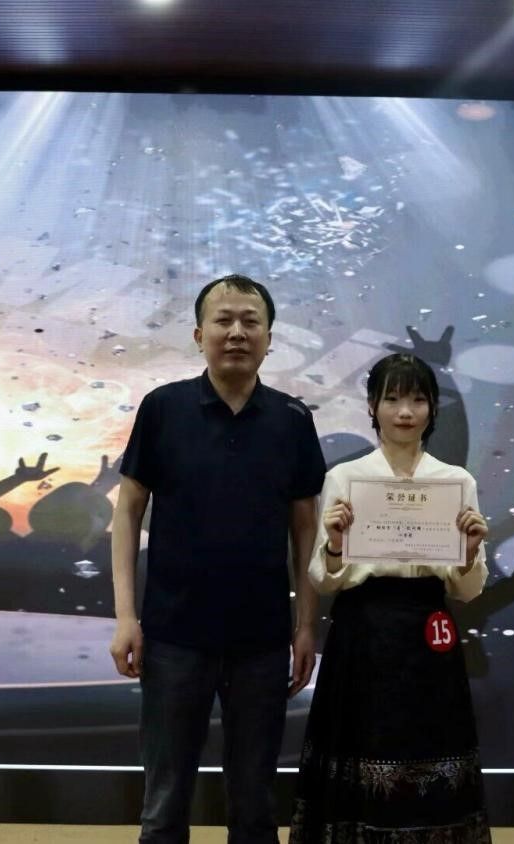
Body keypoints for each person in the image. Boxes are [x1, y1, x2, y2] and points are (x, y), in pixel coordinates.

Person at [289, 352, 514, 842]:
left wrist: (470, 551)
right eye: (392, 399)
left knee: (428, 749)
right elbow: (324, 580)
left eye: (417, 400)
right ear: (371, 407)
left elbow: (468, 589)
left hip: (428, 632)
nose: (405, 411)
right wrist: (334, 545)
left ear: (433, 409)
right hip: (361, 632)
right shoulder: (344, 479)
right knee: (358, 751)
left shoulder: (455, 482)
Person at [108, 273, 327, 844]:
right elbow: (127, 513)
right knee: (164, 804)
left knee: (255, 806)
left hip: (262, 641)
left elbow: (306, 530)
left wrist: (307, 624)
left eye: (251, 322)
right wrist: (127, 617)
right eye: (223, 320)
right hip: (172, 636)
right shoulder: (163, 408)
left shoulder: (293, 419)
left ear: (269, 338)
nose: (236, 332)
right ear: (198, 334)